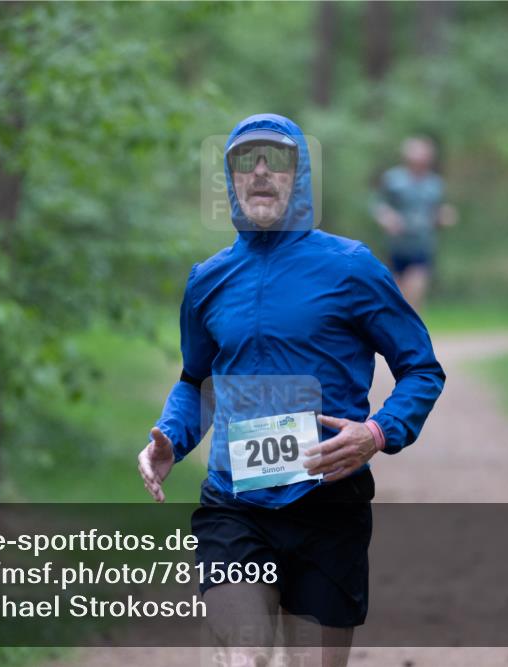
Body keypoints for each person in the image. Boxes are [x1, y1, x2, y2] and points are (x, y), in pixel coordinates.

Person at [137, 114, 445, 667]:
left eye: (275, 160)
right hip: (235, 504)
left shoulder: (351, 268)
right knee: (245, 656)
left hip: (328, 503)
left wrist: (377, 433)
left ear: (299, 176)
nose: (259, 173)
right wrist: (170, 438)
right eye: (244, 161)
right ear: (228, 179)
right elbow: (196, 381)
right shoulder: (207, 279)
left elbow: (422, 369)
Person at [371, 136, 458, 310]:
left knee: (415, 293)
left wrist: (444, 216)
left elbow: (439, 211)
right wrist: (387, 217)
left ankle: (413, 334)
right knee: (396, 296)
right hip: (397, 246)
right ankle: (397, 333)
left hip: (422, 245)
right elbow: (378, 204)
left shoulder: (435, 184)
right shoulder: (393, 179)